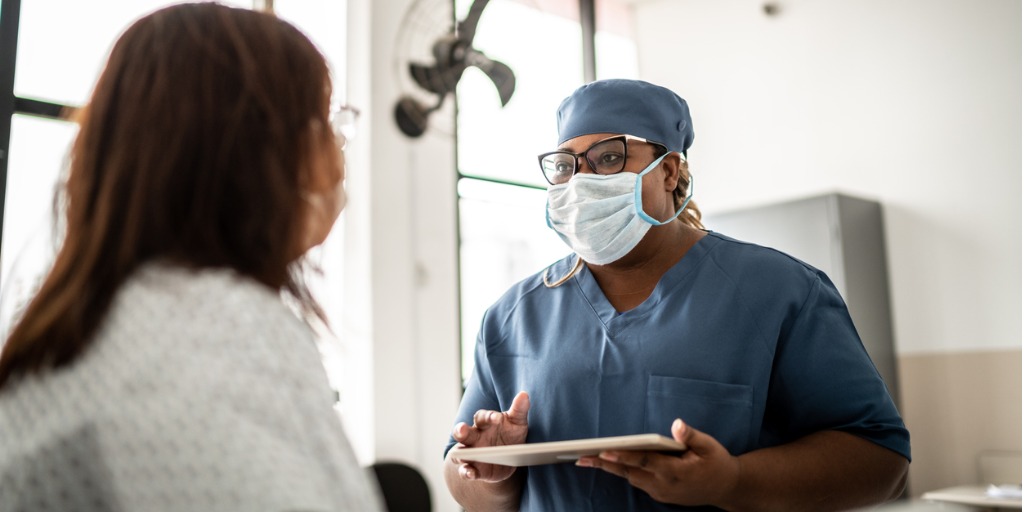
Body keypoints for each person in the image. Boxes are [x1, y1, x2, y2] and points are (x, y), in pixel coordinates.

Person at [443, 79, 910, 511]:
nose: (581, 182)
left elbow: (880, 459)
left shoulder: (778, 291)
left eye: (609, 158)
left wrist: (733, 480)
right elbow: (459, 473)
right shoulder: (512, 316)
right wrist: (492, 474)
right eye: (566, 166)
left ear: (668, 171)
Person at [0, 4, 382, 511]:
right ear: (251, 154)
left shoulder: (76, 327)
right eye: (322, 121)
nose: (335, 150)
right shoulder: (220, 326)